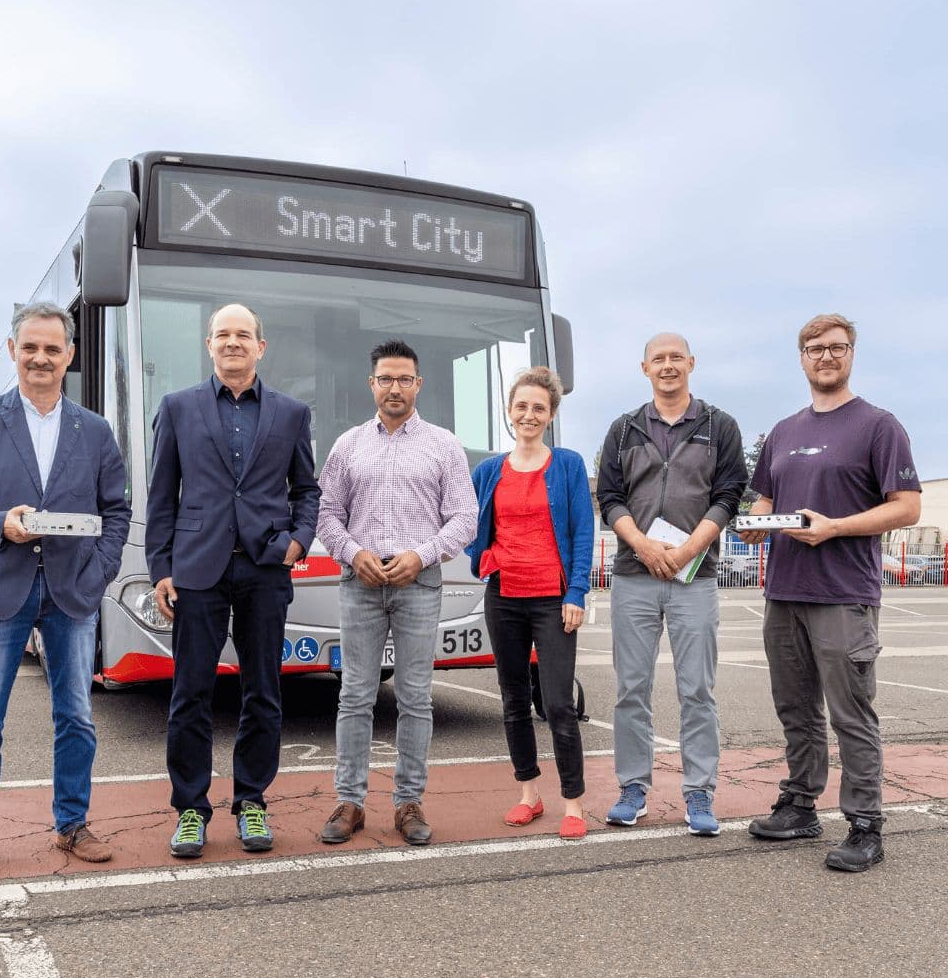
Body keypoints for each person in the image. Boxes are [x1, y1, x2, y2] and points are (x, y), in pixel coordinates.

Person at [0, 301, 131, 879]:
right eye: (31, 347)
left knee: (77, 718)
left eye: (52, 349)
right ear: (13, 350)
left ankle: (72, 823)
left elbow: (115, 511)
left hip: (72, 594)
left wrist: (100, 570)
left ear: (69, 355)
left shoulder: (95, 431)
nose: (41, 358)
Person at [741, 314, 921, 872]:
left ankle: (866, 826)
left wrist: (835, 527)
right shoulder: (783, 431)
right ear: (802, 358)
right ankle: (800, 804)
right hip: (784, 592)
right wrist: (757, 522)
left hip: (844, 593)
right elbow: (764, 500)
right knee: (796, 708)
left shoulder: (878, 426)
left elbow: (907, 507)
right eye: (815, 348)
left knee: (851, 713)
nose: (825, 356)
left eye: (837, 347)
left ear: (851, 354)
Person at [146, 303, 320, 858]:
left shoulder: (292, 413)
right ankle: (190, 810)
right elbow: (161, 495)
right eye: (222, 334)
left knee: (263, 691)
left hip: (265, 569)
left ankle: (251, 802)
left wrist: (299, 541)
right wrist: (161, 568)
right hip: (197, 569)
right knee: (190, 693)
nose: (232, 342)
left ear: (260, 347)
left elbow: (307, 490)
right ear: (209, 345)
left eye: (243, 334)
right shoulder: (177, 408)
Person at [315, 339, 477, 846]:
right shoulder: (347, 446)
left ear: (418, 385)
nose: (395, 388)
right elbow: (326, 514)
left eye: (405, 379)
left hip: (419, 583)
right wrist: (352, 552)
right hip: (359, 583)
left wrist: (421, 555)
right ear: (371, 384)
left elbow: (465, 517)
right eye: (386, 378)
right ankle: (350, 802)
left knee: (415, 698)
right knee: (354, 695)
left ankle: (409, 802)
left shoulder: (444, 446)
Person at [596, 332, 746, 836]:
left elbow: (728, 495)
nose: (667, 366)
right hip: (634, 575)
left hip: (695, 577)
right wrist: (641, 545)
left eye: (675, 357)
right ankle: (632, 789)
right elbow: (610, 497)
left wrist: (686, 552)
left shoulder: (719, 426)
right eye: (658, 359)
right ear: (645, 368)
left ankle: (699, 793)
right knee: (630, 689)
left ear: (691, 363)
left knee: (697, 690)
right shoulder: (623, 429)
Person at [467, 368, 594, 838]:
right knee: (514, 701)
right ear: (509, 411)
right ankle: (529, 795)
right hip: (503, 598)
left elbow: (583, 531)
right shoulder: (488, 471)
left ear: (551, 414)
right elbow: (466, 522)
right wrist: (485, 558)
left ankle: (573, 803)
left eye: (539, 407)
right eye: (521, 406)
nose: (529, 415)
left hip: (552, 599)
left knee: (559, 704)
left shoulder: (568, 465)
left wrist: (576, 592)